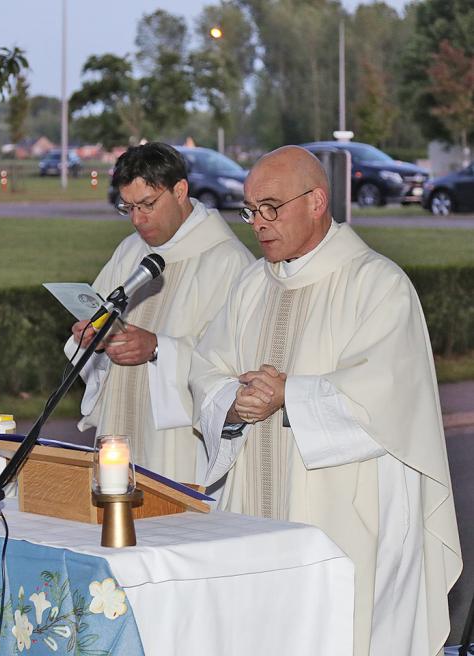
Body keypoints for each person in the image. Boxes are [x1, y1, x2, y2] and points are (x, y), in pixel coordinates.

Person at [189, 146, 461, 655]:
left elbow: (388, 394)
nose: (258, 223)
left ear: (317, 201)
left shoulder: (377, 284)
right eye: (250, 210)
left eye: (271, 207)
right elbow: (207, 369)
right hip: (257, 509)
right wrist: (231, 402)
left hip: (347, 514)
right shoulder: (251, 284)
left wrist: (290, 394)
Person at [65, 142, 253, 483]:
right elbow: (103, 318)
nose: (138, 219)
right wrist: (93, 339)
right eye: (128, 207)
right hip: (119, 426)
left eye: (148, 205)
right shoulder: (130, 251)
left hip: (178, 441)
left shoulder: (227, 261)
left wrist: (157, 348)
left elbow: (234, 364)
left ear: (180, 190)